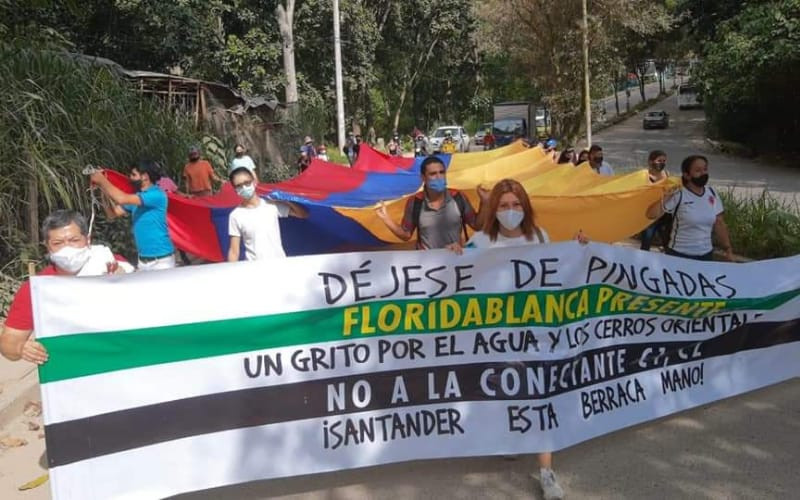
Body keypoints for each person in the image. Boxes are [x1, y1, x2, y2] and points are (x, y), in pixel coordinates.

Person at [447, 179, 589, 500]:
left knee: (540, 395)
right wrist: (454, 253)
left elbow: (559, 271)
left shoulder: (540, 237)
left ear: (525, 206)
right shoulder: (482, 241)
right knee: (505, 390)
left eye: (516, 204)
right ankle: (510, 437)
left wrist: (579, 249)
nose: (510, 211)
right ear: (494, 210)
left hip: (536, 332)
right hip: (498, 335)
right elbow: (459, 269)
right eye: (503, 206)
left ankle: (546, 472)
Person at [0, 210, 133, 364]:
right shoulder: (37, 289)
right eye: (58, 243)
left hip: (125, 360)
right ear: (47, 246)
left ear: (87, 240)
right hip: (76, 372)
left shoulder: (115, 265)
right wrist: (21, 348)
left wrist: (126, 281)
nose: (67, 248)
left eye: (74, 240)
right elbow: (8, 344)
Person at [375, 156, 487, 250]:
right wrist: (386, 219)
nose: (439, 177)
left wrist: (484, 203)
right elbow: (406, 235)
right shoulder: (415, 202)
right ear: (423, 177)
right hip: (427, 266)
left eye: (442, 172)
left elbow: (477, 225)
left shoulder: (458, 197)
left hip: (455, 262)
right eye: (433, 174)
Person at [90, 160, 176, 270]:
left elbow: (121, 199)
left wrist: (102, 181)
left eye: (133, 175)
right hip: (143, 260)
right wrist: (103, 189)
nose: (130, 178)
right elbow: (112, 214)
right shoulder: (137, 198)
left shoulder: (156, 195)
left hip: (162, 261)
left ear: (145, 176)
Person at [646, 154, 734, 261]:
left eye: (705, 169)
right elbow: (651, 214)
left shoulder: (712, 193)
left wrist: (728, 249)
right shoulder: (679, 194)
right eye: (698, 170)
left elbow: (719, 223)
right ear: (687, 175)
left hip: (705, 256)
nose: (703, 173)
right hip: (679, 255)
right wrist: (667, 196)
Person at [227, 166, 308, 262]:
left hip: (279, 264)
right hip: (253, 269)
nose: (244, 187)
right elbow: (234, 251)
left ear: (254, 182)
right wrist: (230, 272)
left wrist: (285, 199)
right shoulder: (235, 215)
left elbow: (303, 214)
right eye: (239, 186)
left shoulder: (271, 204)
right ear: (235, 189)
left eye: (247, 183)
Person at [640, 150, 670, 251]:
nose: (662, 163)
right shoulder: (644, 176)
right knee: (646, 242)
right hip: (650, 215)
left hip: (664, 214)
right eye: (659, 160)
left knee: (667, 242)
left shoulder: (666, 174)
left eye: (664, 161)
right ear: (650, 162)